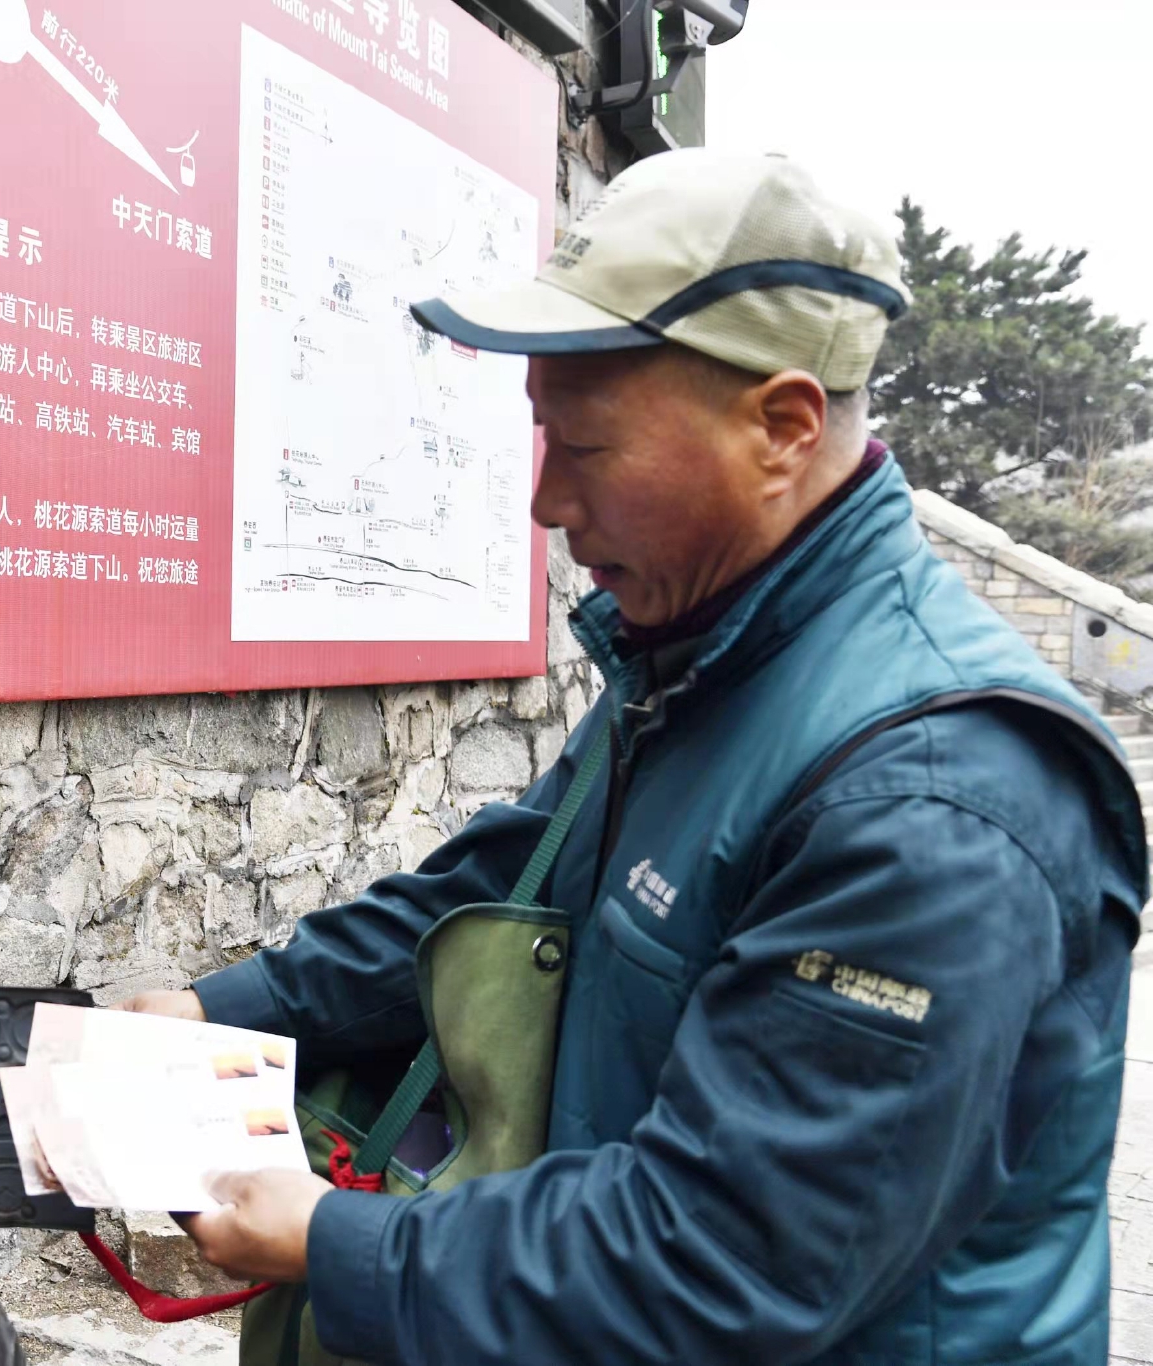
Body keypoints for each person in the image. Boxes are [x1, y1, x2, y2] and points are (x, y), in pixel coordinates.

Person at [123, 150, 1148, 1364]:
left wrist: (336, 1241)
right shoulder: (697, 659)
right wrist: (214, 1014)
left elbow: (724, 1258)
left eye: (588, 448)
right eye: (539, 438)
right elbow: (493, 897)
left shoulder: (932, 795)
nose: (544, 503)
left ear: (780, 426)